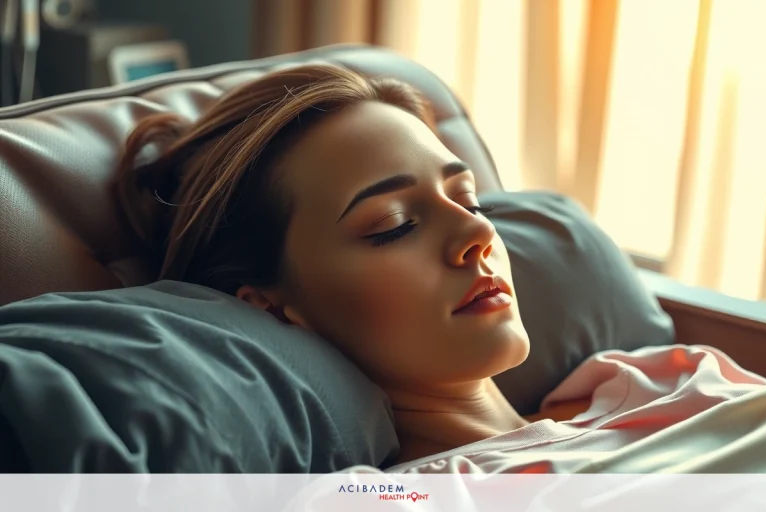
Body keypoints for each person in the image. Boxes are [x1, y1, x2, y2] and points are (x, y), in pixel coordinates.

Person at [114, 64, 576, 465]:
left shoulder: (613, 384)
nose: (478, 233)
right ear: (268, 304)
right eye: (395, 225)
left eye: (470, 202)